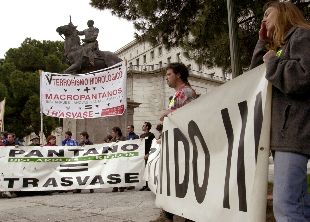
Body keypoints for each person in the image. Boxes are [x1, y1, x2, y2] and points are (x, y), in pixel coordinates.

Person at [250, 2, 310, 221]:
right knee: (297, 204)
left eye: (268, 13)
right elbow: (255, 76)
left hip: (294, 130)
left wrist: (273, 62)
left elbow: (304, 76)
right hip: (285, 132)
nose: (263, 18)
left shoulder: (302, 35)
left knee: (286, 206)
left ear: (284, 13)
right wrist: (262, 42)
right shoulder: (281, 45)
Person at [154, 63, 197, 222]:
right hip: (177, 144)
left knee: (181, 179)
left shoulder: (186, 92)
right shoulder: (180, 93)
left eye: (169, 74)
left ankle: (177, 215)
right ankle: (168, 214)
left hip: (183, 145)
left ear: (178, 75)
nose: (166, 78)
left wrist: (167, 113)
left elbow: (188, 116)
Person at [139, 122, 155, 191]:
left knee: (148, 170)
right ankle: (145, 185)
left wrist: (148, 154)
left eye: (144, 126)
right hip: (142, 155)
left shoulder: (151, 135)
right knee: (143, 170)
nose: (142, 127)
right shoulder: (141, 135)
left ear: (147, 127)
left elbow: (153, 145)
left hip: (148, 155)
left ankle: (149, 185)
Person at [110, 127, 126, 192]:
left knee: (121, 171)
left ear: (117, 132)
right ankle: (115, 186)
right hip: (114, 159)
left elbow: (127, 146)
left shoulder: (123, 138)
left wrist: (120, 143)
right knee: (114, 171)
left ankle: (121, 186)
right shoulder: (112, 140)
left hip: (121, 158)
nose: (112, 133)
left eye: (113, 132)